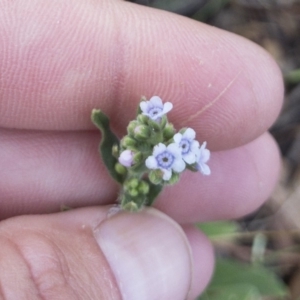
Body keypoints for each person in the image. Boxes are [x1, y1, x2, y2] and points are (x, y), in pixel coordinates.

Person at [0, 0, 283, 299]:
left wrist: (171, 159)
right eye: (170, 154)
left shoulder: (167, 153)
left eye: (179, 150)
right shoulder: (152, 149)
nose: (171, 154)